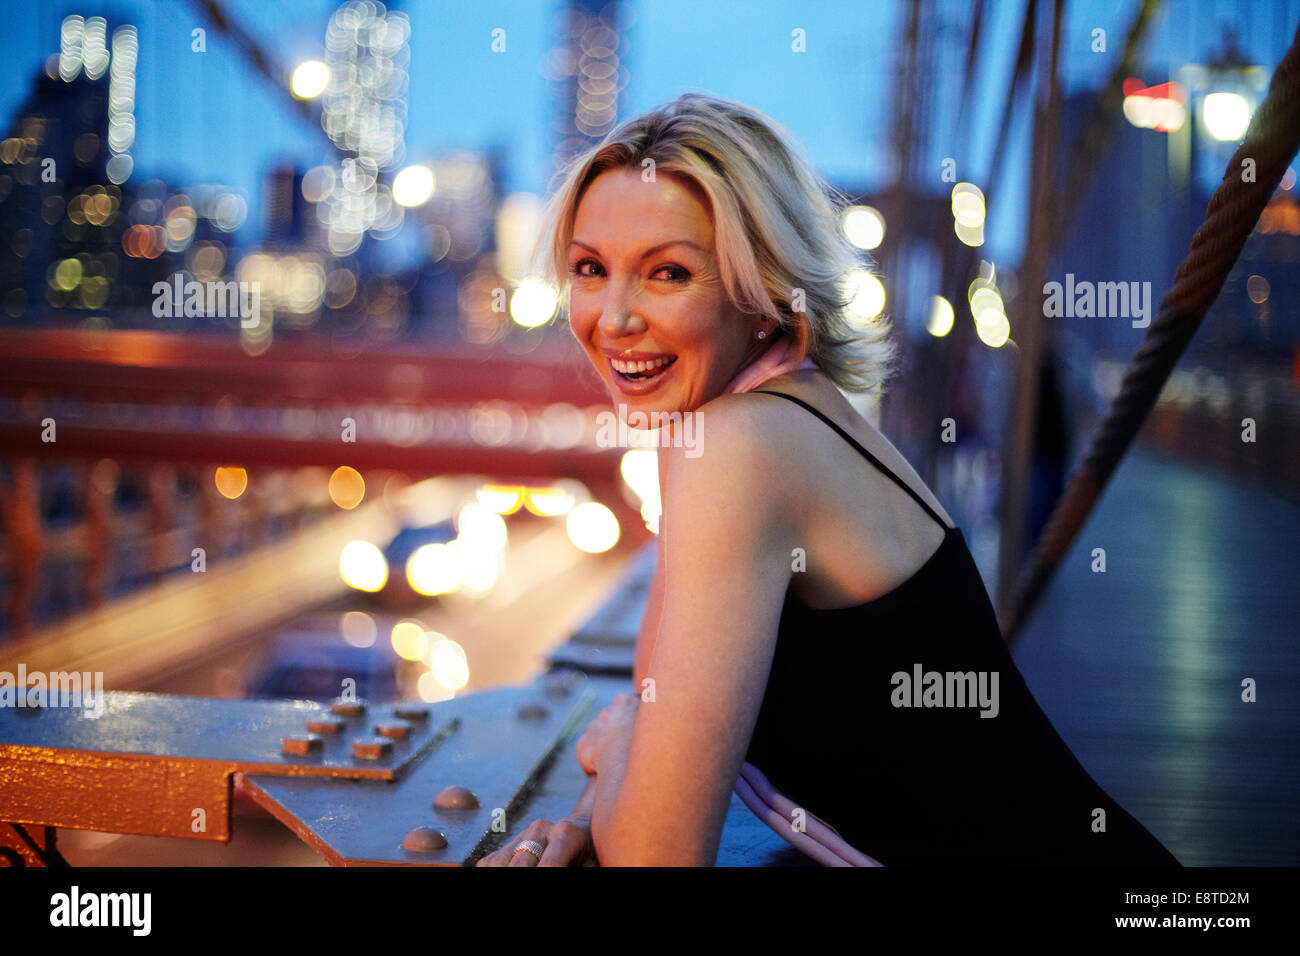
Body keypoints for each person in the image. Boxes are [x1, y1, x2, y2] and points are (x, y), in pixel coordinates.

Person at [477, 92, 1179, 867]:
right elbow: (655, 706)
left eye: (667, 273)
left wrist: (612, 766)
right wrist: (601, 795)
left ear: (766, 289)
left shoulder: (740, 446)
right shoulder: (771, 414)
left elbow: (656, 854)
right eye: (589, 269)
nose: (613, 317)